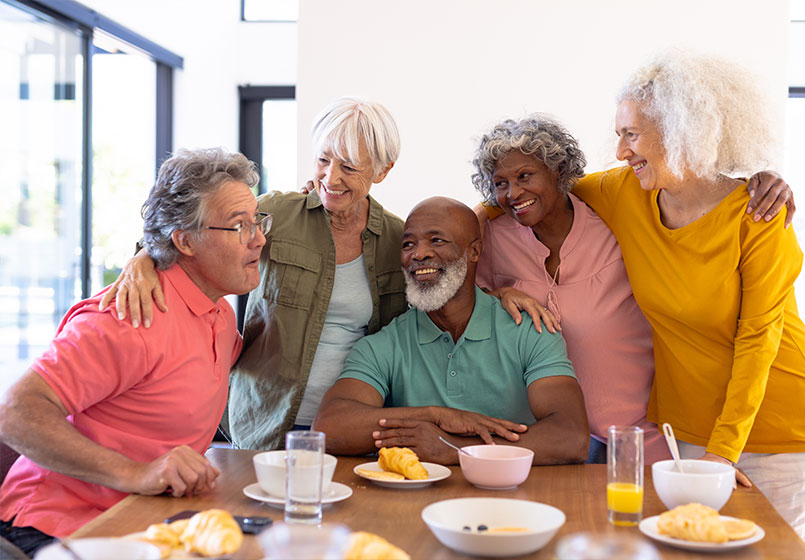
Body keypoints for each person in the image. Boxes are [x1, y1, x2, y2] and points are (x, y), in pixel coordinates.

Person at [573, 51, 805, 558]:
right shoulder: (621, 192)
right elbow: (531, 194)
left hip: (786, 431)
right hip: (691, 431)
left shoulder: (758, 216)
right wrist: (468, 231)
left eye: (631, 134)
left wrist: (723, 455)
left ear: (681, 129)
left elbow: (759, 341)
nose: (620, 149)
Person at [0, 148, 266, 556]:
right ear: (185, 241)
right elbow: (15, 413)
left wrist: (144, 254)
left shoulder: (220, 314)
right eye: (239, 226)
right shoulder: (130, 318)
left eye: (257, 222)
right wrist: (137, 473)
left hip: (138, 521)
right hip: (53, 525)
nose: (259, 239)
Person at [103, 98, 408, 450]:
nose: (330, 177)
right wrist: (143, 257)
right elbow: (197, 233)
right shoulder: (278, 212)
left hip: (351, 428)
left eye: (350, 168)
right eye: (323, 159)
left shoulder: (396, 240)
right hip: (265, 421)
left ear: (382, 171)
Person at [312, 197, 590, 465]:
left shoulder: (530, 329)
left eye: (437, 240)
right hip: (415, 505)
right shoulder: (385, 344)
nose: (419, 254)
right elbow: (328, 428)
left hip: (512, 501)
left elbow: (571, 437)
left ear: (474, 251)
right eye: (408, 244)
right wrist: (435, 416)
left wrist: (455, 449)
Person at [471, 116, 669, 464]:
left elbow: (687, 194)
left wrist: (754, 182)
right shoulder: (493, 238)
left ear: (558, 172)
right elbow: (455, 304)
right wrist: (498, 296)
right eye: (500, 183)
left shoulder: (612, 225)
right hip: (545, 441)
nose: (513, 193)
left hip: (636, 436)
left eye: (525, 176)